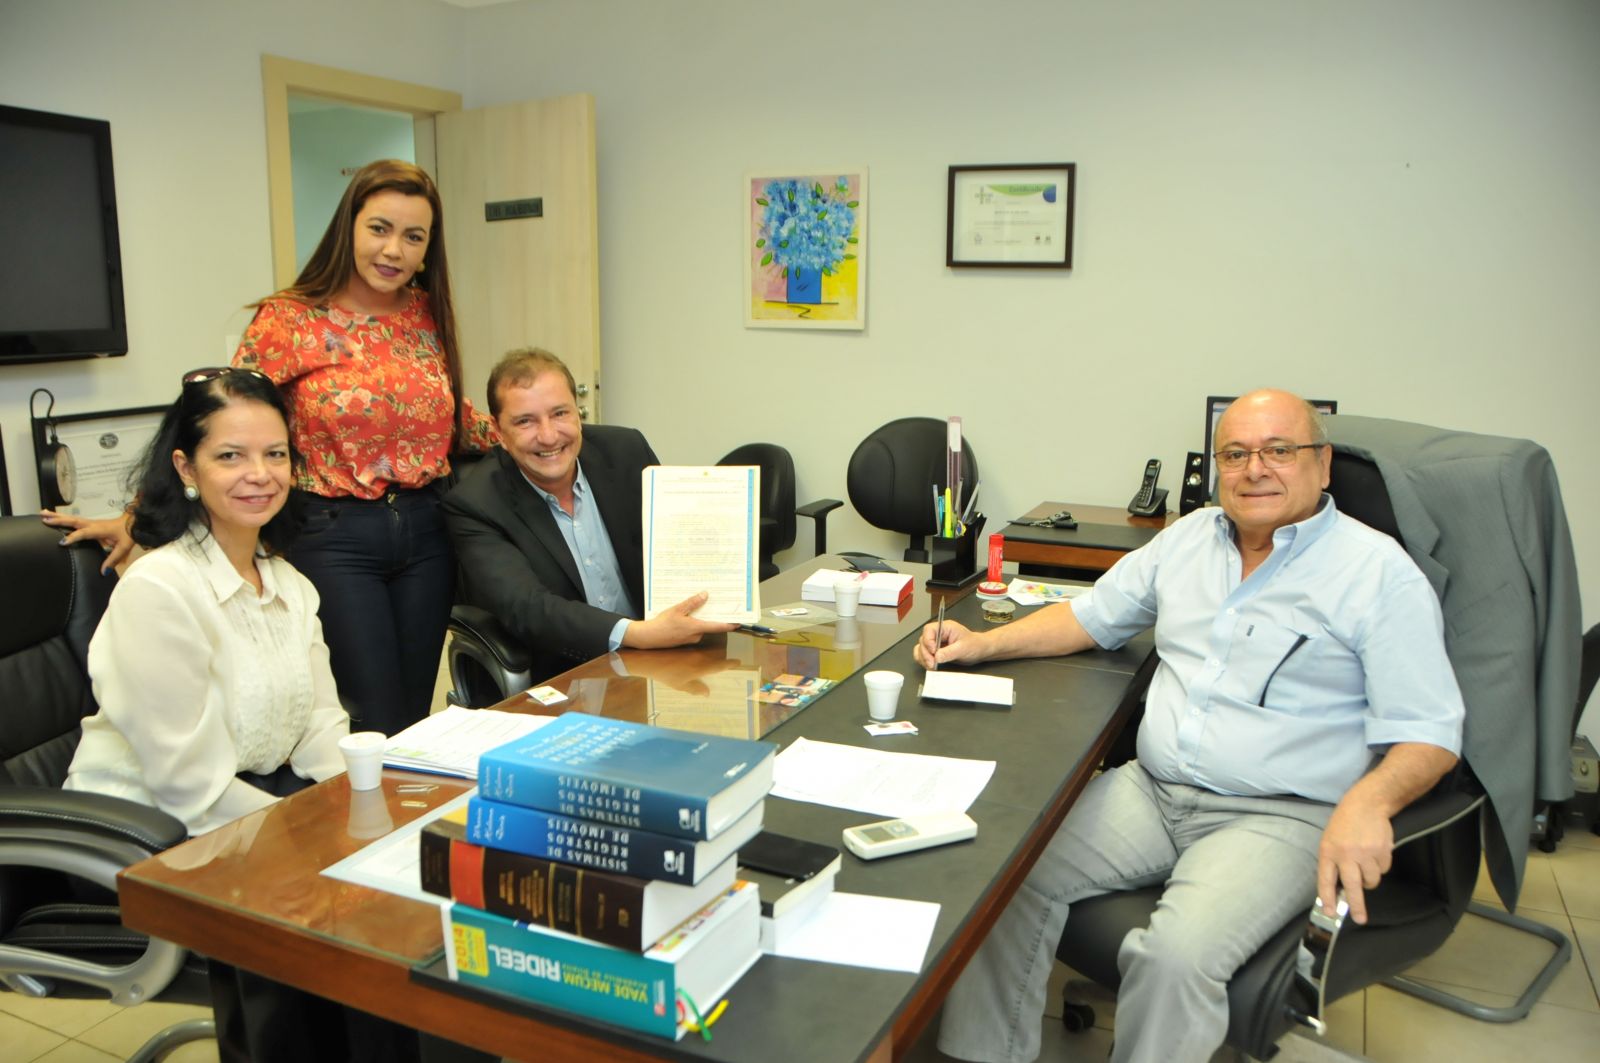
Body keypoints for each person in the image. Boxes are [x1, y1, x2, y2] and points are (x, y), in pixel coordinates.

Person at [922, 389, 1465, 1063]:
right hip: (1152, 791)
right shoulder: (1188, 538)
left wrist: (1370, 802)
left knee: (1174, 958)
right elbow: (1089, 617)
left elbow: (1430, 732)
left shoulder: (1378, 573)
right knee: (999, 878)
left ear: (1322, 464)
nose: (1254, 469)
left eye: (1278, 450)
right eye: (1234, 454)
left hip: (1280, 816)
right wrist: (981, 644)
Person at [48, 160, 496, 736]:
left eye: (414, 236)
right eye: (379, 229)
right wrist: (141, 513)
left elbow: (446, 414)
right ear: (349, 228)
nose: (394, 250)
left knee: (414, 717)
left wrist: (533, 433)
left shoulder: (424, 313)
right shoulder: (290, 318)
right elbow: (221, 420)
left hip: (428, 532)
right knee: (369, 717)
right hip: (335, 537)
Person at [63, 366, 349, 833]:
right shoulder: (158, 590)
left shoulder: (290, 586)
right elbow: (188, 787)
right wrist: (304, 835)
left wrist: (363, 802)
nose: (260, 475)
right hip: (138, 832)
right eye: (231, 456)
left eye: (275, 454)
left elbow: (322, 728)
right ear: (186, 468)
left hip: (246, 810)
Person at [442, 347, 735, 684]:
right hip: (566, 675)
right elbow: (529, 607)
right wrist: (638, 634)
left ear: (577, 413)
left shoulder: (626, 451)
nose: (548, 436)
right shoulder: (475, 504)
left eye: (559, 413)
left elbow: (678, 540)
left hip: (662, 661)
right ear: (498, 431)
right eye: (525, 421)